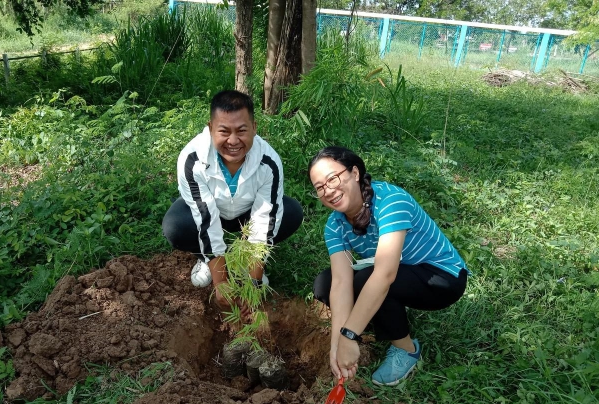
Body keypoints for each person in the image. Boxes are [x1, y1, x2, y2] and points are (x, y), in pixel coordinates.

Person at [309, 146, 468, 386]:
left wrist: (350, 335)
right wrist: (337, 344)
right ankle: (378, 317)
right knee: (326, 283)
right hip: (401, 273)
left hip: (442, 277)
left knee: (369, 280)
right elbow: (341, 282)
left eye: (333, 179)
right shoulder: (335, 225)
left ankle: (406, 349)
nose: (328, 190)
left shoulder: (391, 201)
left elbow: (384, 274)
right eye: (320, 187)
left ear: (354, 173)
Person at [162, 90, 303, 312]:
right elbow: (205, 218)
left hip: (247, 215)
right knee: (176, 226)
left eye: (242, 130)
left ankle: (245, 263)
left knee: (291, 212)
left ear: (254, 128)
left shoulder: (269, 162)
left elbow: (265, 219)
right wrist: (221, 283)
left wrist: (253, 283)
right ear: (210, 128)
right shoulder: (193, 159)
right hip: (211, 212)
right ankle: (206, 259)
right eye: (224, 131)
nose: (233, 141)